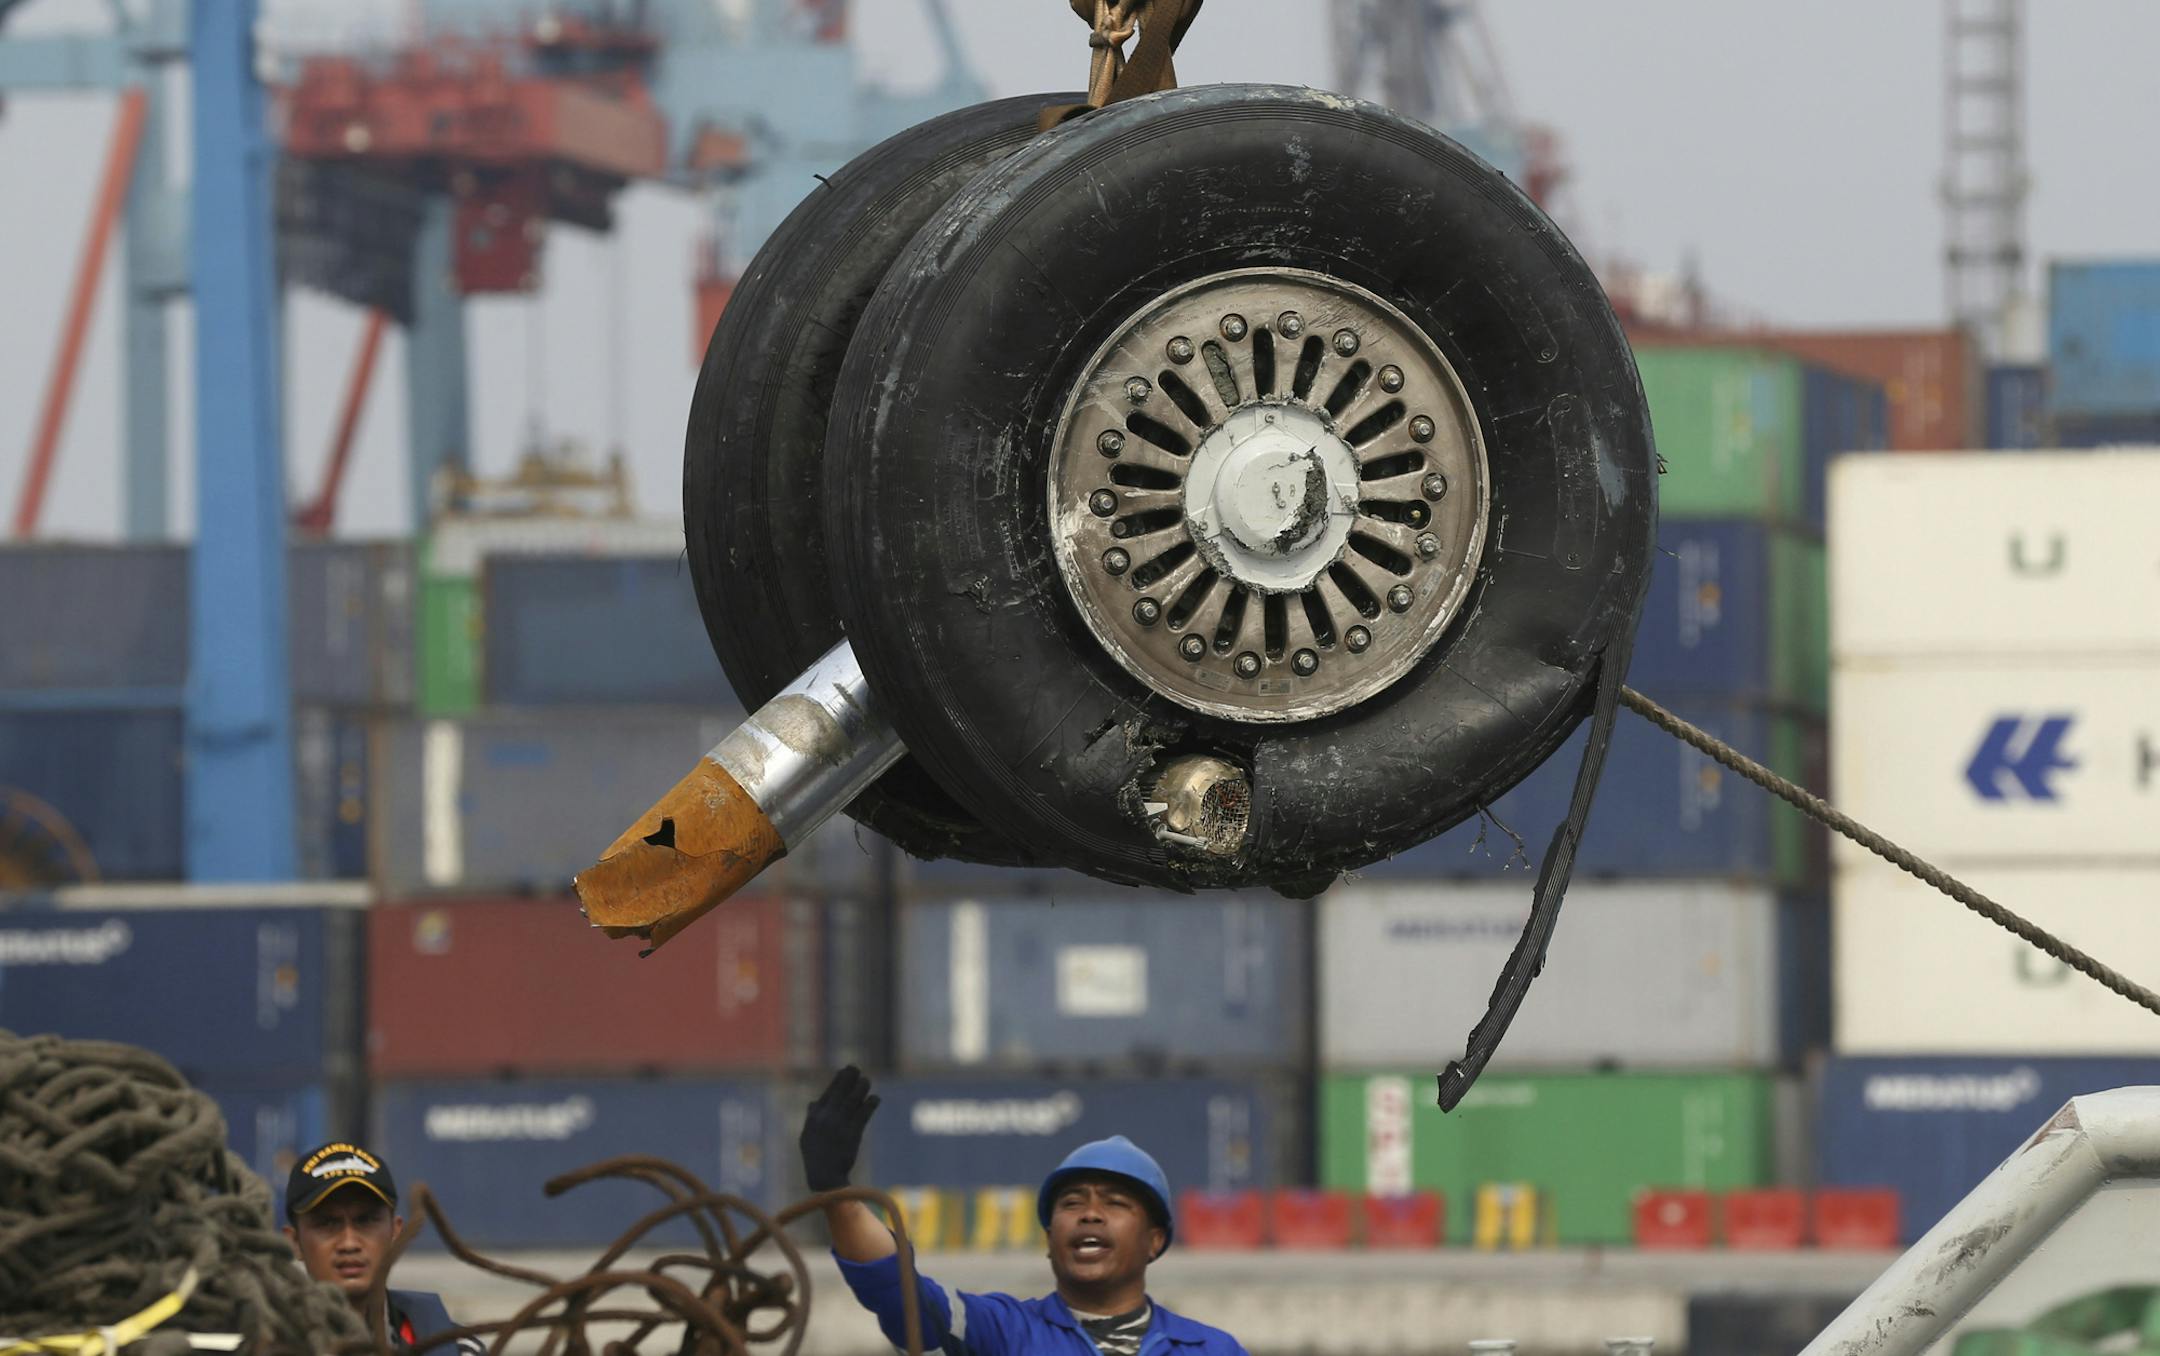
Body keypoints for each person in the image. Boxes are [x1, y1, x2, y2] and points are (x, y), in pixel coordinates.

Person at [801, 1067, 1247, 1356]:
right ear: (1050, 1238)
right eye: (1072, 1204)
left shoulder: (1210, 1349)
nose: (1089, 1214)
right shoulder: (999, 1332)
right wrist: (837, 1193)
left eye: (1114, 1203)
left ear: (1155, 1240)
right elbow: (901, 1295)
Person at [282, 1141, 479, 1353]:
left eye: (365, 1220)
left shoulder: (456, 1347)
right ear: (294, 1242)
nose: (349, 1243)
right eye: (328, 1223)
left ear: (395, 1231)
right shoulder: (259, 1343)